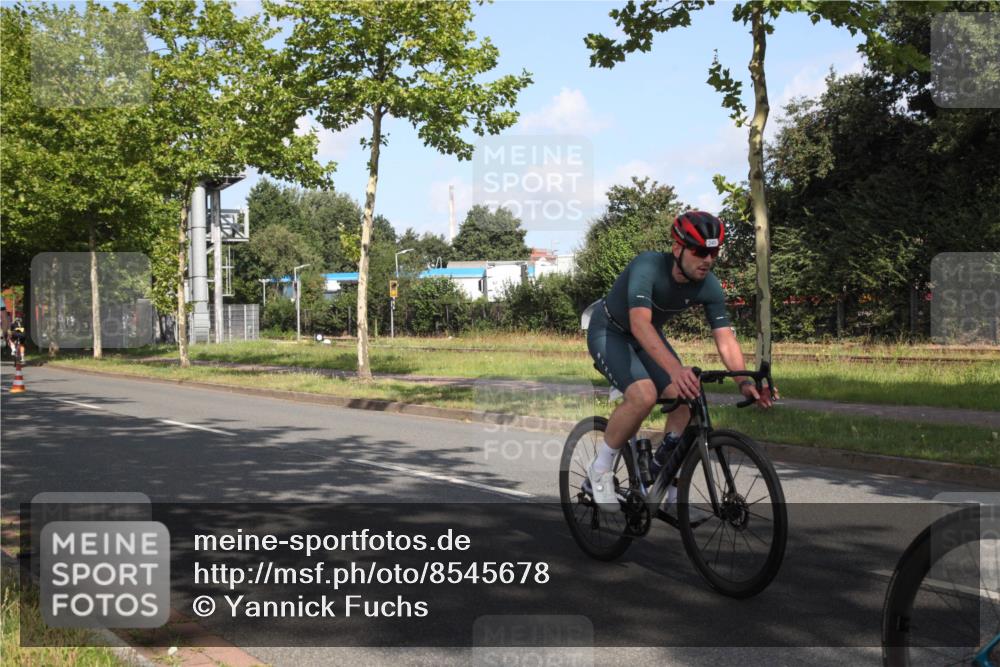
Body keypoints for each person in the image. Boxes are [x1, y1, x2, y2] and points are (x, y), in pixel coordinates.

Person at [585, 210, 776, 509]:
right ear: (677, 248)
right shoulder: (648, 266)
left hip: (647, 336)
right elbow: (639, 324)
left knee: (686, 397)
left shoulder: (709, 285)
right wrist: (675, 370)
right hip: (610, 331)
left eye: (714, 252)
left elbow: (725, 338)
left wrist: (743, 381)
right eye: (700, 251)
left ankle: (667, 480)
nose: (708, 260)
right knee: (644, 395)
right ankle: (598, 471)